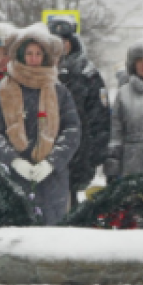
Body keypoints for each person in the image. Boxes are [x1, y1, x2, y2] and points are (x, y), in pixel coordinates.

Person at [0, 24, 81, 225]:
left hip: (53, 181)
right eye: (29, 53)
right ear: (21, 55)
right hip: (11, 179)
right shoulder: (3, 92)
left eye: (38, 53)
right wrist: (13, 161)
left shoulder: (60, 92)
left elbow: (72, 130)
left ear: (45, 56)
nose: (34, 59)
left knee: (51, 235)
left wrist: (51, 162)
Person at [47, 16, 110, 197]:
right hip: (45, 152)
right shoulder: (38, 72)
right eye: (55, 42)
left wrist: (96, 154)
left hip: (79, 154)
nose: (60, 46)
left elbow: (100, 117)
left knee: (70, 201)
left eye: (64, 41)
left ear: (72, 42)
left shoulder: (87, 74)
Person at [105, 40, 143, 181]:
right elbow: (116, 132)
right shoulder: (123, 93)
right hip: (130, 165)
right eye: (140, 60)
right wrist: (113, 165)